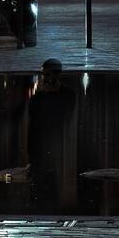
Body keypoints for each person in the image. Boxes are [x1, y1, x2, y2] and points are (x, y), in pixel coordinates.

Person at [25, 59, 76, 207]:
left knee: (51, 182)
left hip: (56, 146)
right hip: (40, 147)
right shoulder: (37, 99)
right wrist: (31, 157)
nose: (46, 78)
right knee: (39, 184)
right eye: (44, 75)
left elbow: (65, 119)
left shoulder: (67, 95)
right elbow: (33, 128)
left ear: (57, 75)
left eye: (48, 75)